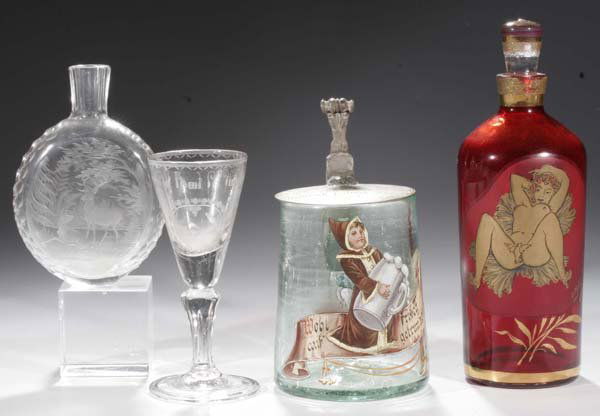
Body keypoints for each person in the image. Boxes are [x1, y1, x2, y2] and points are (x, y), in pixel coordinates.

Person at [473, 164, 571, 289]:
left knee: (551, 218)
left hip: (534, 251)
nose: (542, 195)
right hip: (511, 251)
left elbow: (565, 181)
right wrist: (536, 184)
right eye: (538, 190)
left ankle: (562, 273)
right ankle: (477, 278)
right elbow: (515, 179)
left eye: (547, 192)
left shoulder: (549, 207)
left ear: (553, 195)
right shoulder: (522, 203)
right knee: (486, 219)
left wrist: (551, 170)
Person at [328, 217, 392, 350]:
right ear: (345, 239)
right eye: (354, 233)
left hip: (382, 291)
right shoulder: (348, 259)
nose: (360, 235)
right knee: (364, 327)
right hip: (363, 297)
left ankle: (386, 341)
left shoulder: (373, 251)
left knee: (388, 315)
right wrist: (376, 287)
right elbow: (359, 279)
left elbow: (384, 268)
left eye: (361, 231)